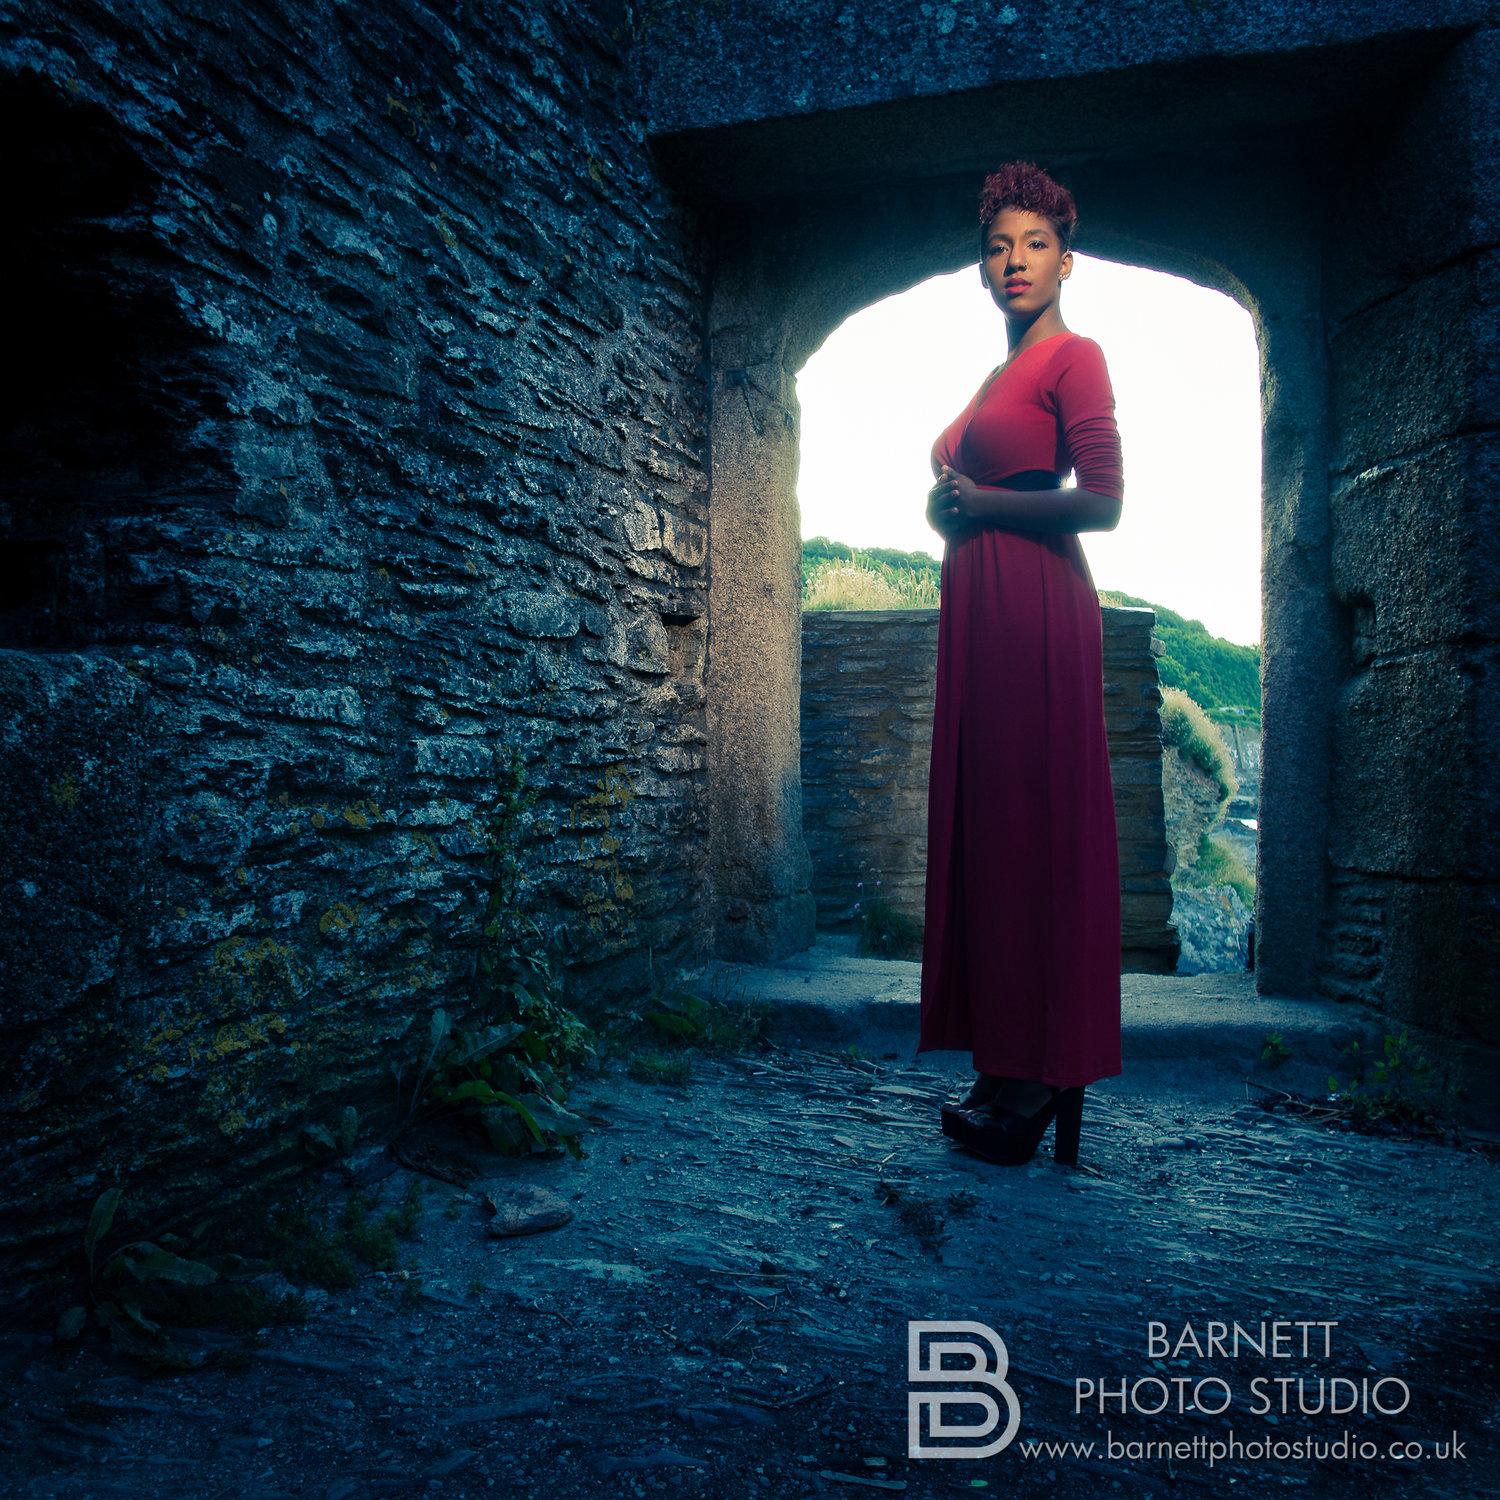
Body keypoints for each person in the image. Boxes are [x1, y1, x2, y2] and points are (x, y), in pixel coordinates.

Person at [916, 160, 1125, 1168]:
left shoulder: (1074, 357)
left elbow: (1106, 499)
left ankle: (1047, 1071)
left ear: (1066, 260)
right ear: (982, 265)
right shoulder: (995, 376)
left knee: (1037, 832)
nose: (1015, 261)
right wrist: (944, 507)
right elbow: (954, 482)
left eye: (1035, 244)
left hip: (1038, 608)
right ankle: (1007, 1057)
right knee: (992, 833)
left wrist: (983, 506)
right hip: (980, 612)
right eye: (999, 245)